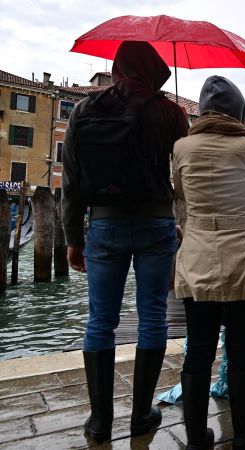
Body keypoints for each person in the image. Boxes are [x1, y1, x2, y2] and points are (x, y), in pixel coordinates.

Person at [61, 41, 188, 443]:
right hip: (156, 223)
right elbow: (183, 176)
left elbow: (70, 183)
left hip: (104, 224)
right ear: (154, 70)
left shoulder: (85, 109)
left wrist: (73, 239)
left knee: (101, 319)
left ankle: (99, 421)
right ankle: (140, 416)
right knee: (152, 315)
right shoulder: (170, 112)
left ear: (117, 68)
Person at [173, 76, 245, 449]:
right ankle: (242, 431)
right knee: (241, 348)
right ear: (239, 112)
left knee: (199, 350)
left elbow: (179, 195)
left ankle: (195, 438)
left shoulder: (181, 148)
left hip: (197, 255)